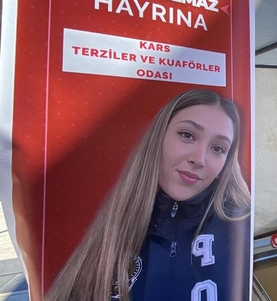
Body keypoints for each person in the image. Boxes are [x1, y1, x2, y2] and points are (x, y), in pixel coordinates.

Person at [45, 89, 251, 301]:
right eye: (187, 135)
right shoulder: (112, 228)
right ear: (158, 138)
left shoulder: (241, 224)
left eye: (218, 148)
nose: (199, 159)